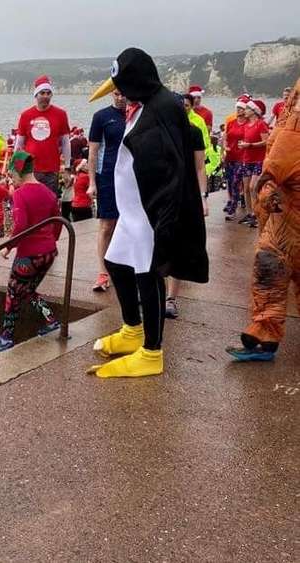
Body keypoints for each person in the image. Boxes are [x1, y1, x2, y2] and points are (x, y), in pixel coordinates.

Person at [86, 48, 208, 378]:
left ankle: (152, 352)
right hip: (131, 213)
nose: (117, 90)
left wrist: (165, 221)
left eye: (121, 82)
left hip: (146, 213)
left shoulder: (162, 108)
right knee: (115, 262)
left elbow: (170, 168)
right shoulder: (145, 104)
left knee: (147, 274)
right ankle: (133, 329)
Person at [226, 77, 300, 362]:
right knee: (270, 266)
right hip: (286, 213)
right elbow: (273, 170)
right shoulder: (290, 124)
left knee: (270, 264)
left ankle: (265, 335)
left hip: (286, 215)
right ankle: (263, 335)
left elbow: (274, 167)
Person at [0, 151, 62, 353]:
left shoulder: (20, 194)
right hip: (48, 252)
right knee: (28, 290)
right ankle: (50, 319)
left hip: (28, 255)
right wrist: (51, 241)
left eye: (12, 175)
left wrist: (8, 246)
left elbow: (20, 225)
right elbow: (57, 221)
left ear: (19, 172)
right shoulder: (48, 192)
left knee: (13, 292)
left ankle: (6, 336)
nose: (11, 180)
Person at [165, 100, 211, 319]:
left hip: (186, 194)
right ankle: (156, 291)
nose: (181, 108)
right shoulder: (161, 132)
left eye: (185, 105)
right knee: (159, 244)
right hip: (163, 194)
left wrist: (203, 197)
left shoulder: (193, 133)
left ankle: (171, 298)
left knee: (177, 244)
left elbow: (200, 166)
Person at [87, 88, 127, 292]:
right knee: (107, 225)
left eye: (124, 94)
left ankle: (123, 268)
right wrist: (91, 182)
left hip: (130, 177)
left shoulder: (136, 114)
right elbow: (93, 152)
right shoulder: (101, 117)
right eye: (116, 94)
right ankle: (103, 273)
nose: (120, 98)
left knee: (127, 224)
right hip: (108, 176)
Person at [15, 75, 71, 192]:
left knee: (49, 204)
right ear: (36, 95)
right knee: (31, 203)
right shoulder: (26, 115)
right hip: (30, 169)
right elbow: (19, 143)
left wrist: (67, 168)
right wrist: (15, 168)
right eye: (42, 93)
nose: (45, 96)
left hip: (51, 170)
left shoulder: (61, 114)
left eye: (48, 93)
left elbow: (66, 143)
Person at [238, 99, 270, 229]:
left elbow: (266, 141)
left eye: (247, 109)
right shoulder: (246, 125)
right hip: (247, 159)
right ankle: (250, 213)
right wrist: (244, 145)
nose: (244, 111)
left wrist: (250, 145)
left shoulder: (261, 124)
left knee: (253, 187)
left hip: (258, 159)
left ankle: (258, 214)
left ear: (254, 111)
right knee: (245, 188)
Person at [223, 95, 250, 220]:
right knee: (229, 181)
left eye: (241, 108)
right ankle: (233, 203)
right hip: (230, 155)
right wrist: (224, 148)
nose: (238, 110)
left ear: (246, 110)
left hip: (242, 157)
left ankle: (233, 209)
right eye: (237, 108)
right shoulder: (231, 122)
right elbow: (225, 137)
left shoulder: (249, 124)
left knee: (236, 181)